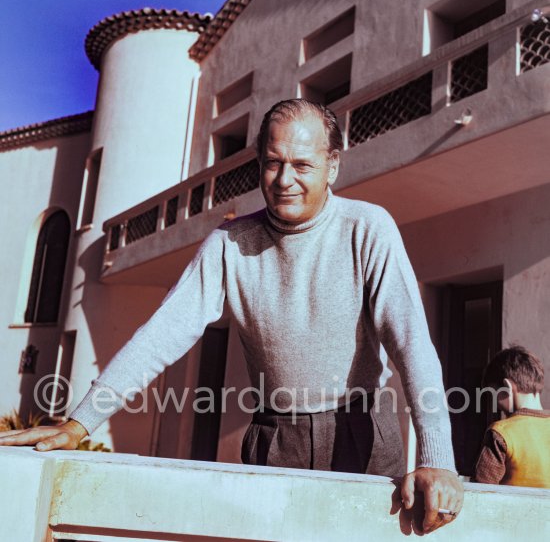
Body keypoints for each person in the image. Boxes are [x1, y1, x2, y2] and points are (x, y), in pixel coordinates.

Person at [0, 99, 463, 533]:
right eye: (273, 162)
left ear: (332, 166)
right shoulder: (228, 245)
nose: (286, 179)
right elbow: (161, 334)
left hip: (364, 431)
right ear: (260, 163)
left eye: (303, 164)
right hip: (274, 438)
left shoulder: (368, 228)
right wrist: (80, 423)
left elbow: (411, 343)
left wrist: (437, 455)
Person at [473, 345, 550, 488]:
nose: (495, 404)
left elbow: (481, 491)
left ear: (506, 386)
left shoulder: (500, 432)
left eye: (493, 394)